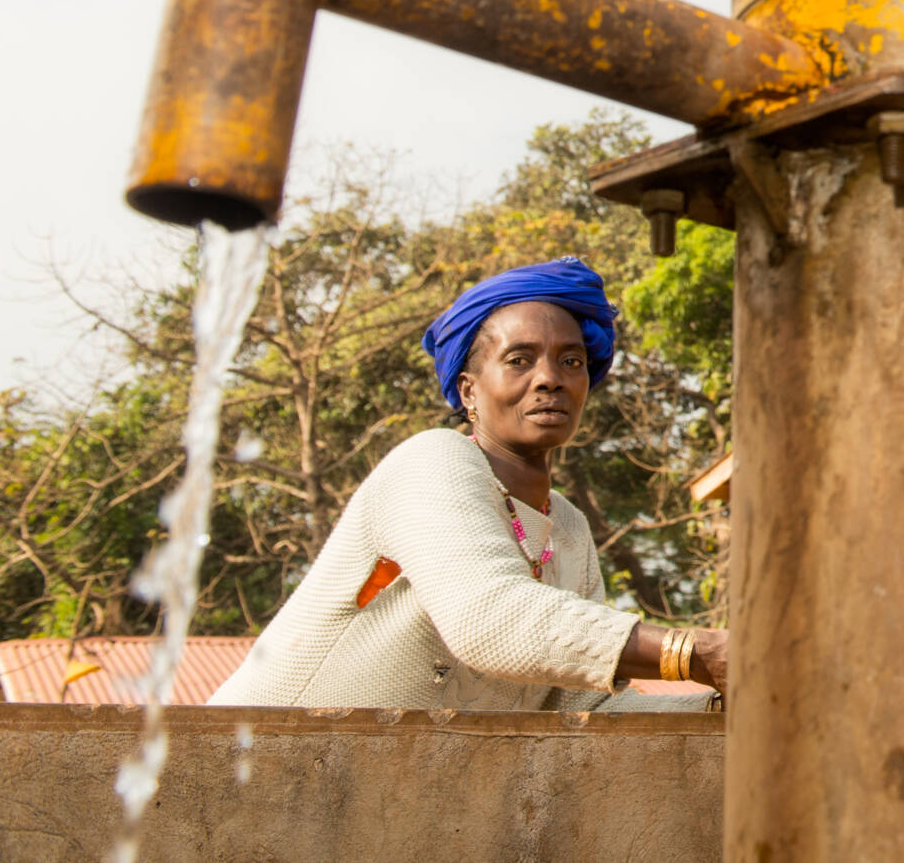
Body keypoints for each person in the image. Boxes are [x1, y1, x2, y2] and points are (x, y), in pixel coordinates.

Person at [212, 258, 725, 712]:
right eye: (519, 360)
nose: (550, 379)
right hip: (246, 776)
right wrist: (702, 652)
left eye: (571, 362)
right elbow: (491, 617)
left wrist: (722, 706)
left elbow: (583, 707)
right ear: (468, 390)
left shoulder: (567, 528)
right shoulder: (432, 460)